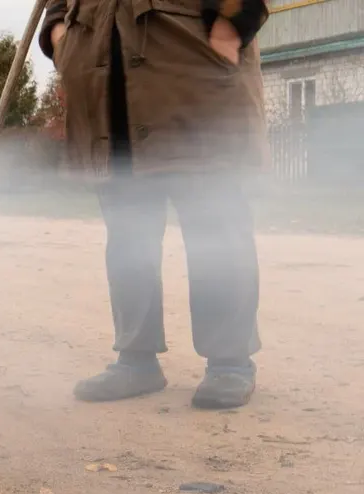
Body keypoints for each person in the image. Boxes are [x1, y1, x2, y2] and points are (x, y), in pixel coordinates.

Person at [39, 0, 269, 409]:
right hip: (105, 77)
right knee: (128, 231)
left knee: (214, 222)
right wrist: (59, 33)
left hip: (192, 65)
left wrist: (234, 23)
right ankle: (135, 359)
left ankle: (229, 362)